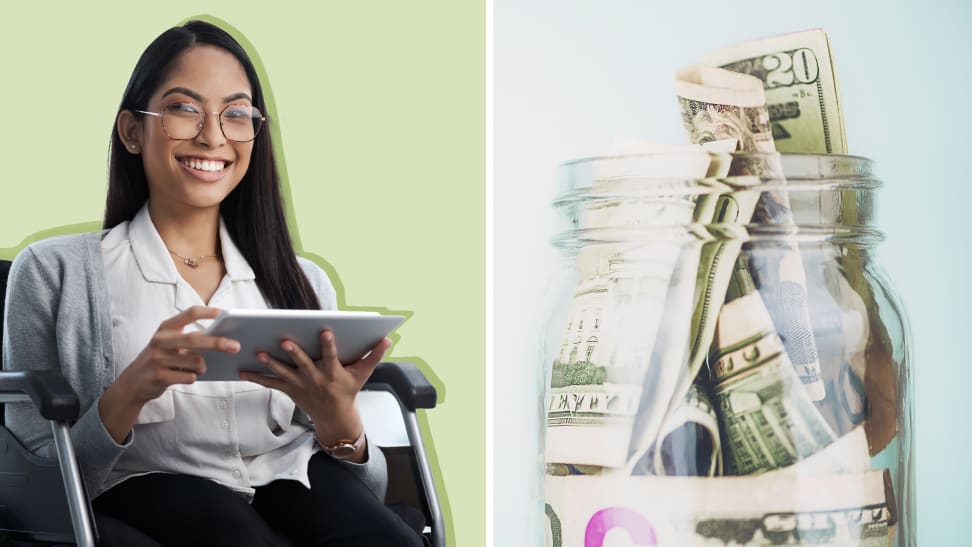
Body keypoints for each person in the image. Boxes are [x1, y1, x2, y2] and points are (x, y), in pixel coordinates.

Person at [2, 20, 424, 547]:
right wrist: (128, 392)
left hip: (290, 478)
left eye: (237, 114)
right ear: (132, 131)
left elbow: (365, 483)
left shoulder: (303, 281)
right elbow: (31, 485)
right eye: (184, 109)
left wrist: (341, 425)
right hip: (141, 485)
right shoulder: (52, 272)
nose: (213, 135)